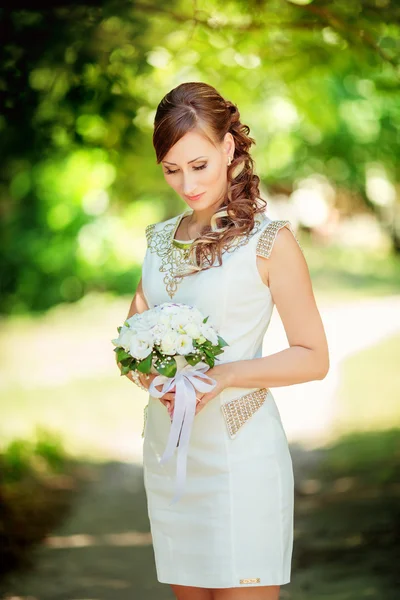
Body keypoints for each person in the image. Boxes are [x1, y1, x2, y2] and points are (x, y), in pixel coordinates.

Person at [120, 82, 329, 600]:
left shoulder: (270, 241)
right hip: (172, 454)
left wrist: (228, 374)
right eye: (172, 169)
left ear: (229, 150)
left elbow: (314, 357)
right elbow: (130, 344)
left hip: (241, 453)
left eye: (199, 165)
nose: (186, 183)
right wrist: (154, 378)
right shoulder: (157, 241)